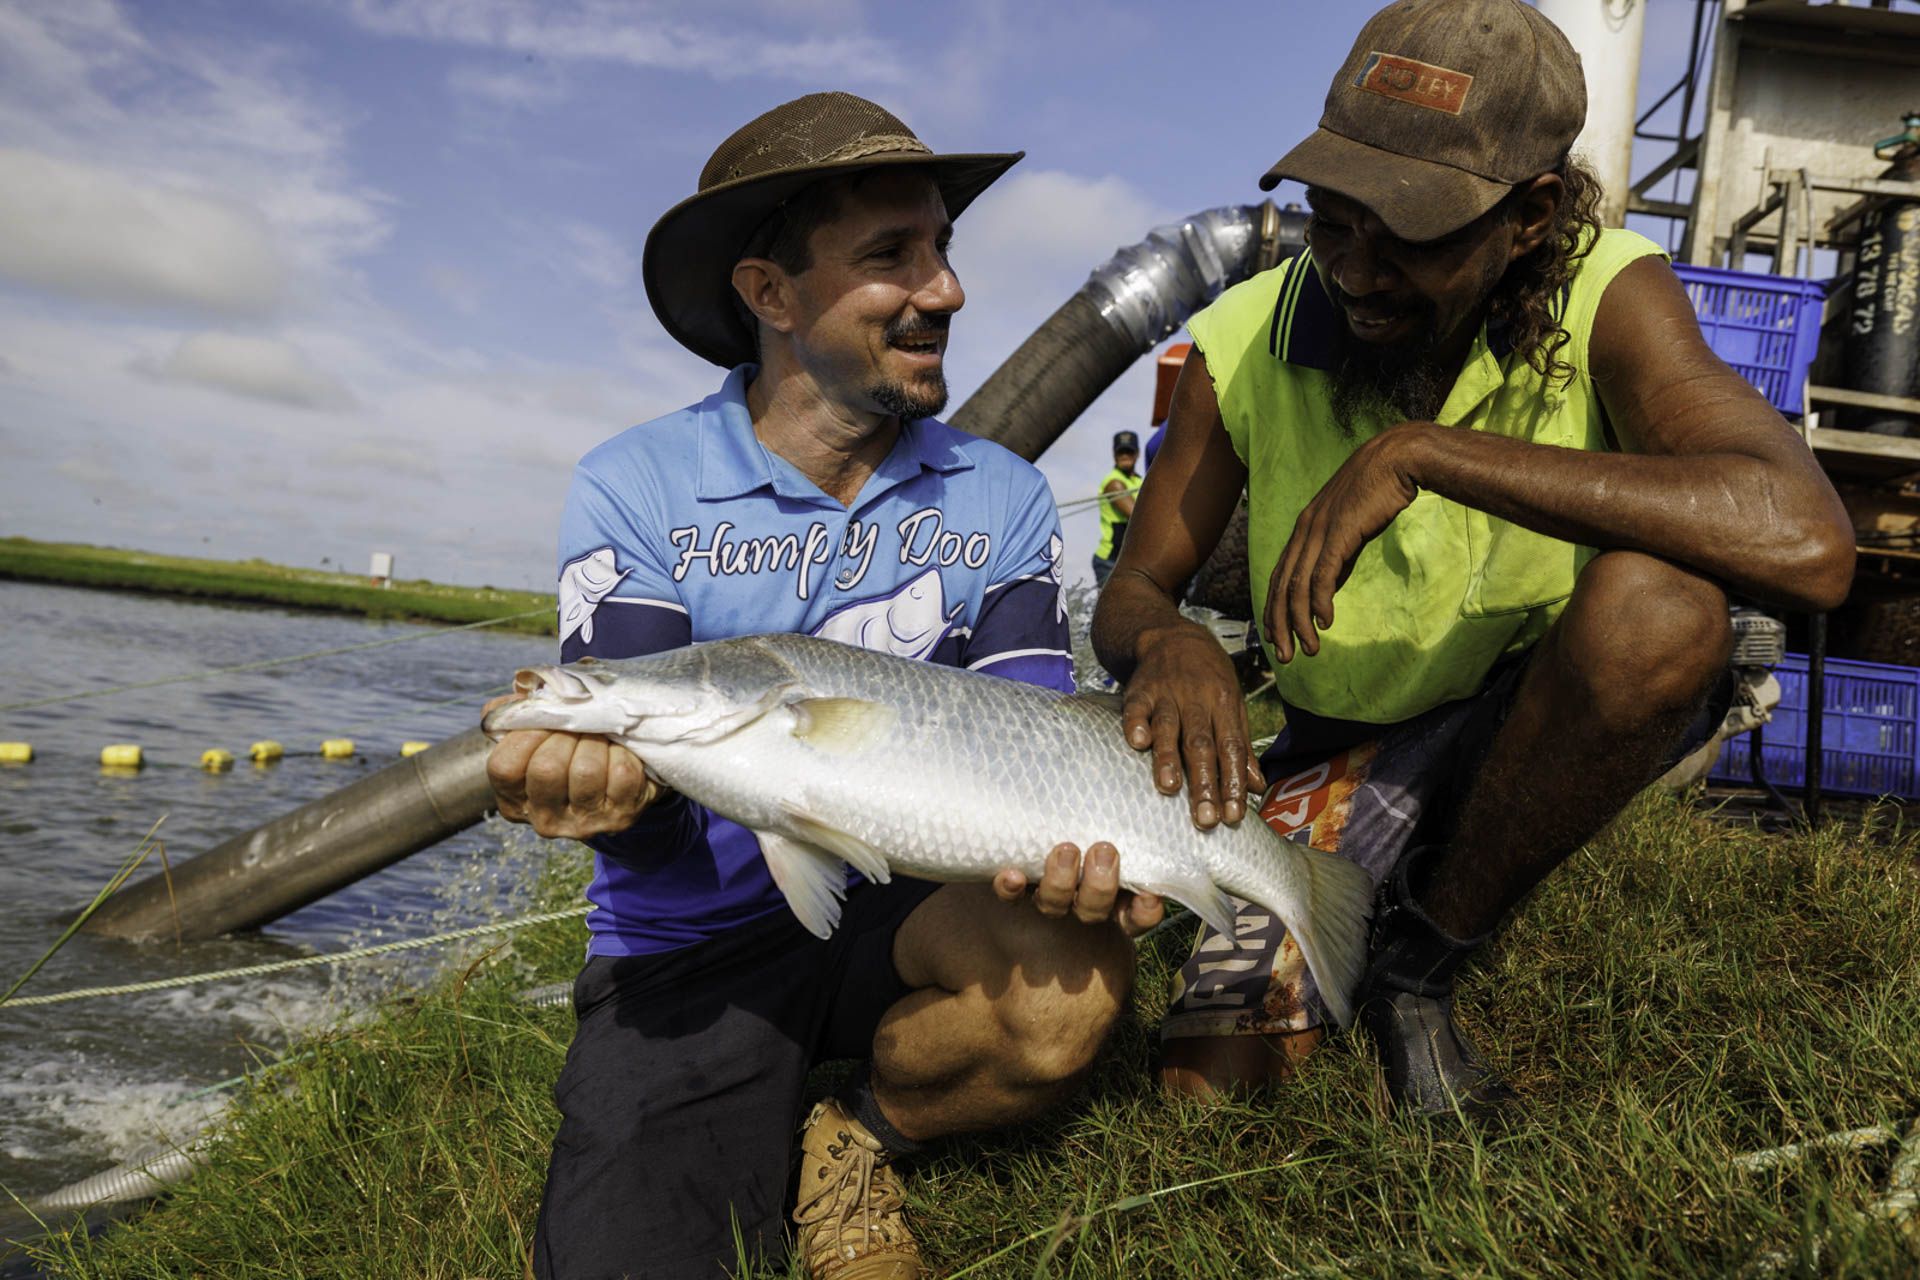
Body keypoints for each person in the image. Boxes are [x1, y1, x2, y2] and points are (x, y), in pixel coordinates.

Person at [1091, 0, 1854, 1116]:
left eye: (1411, 233)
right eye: (1333, 218)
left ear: (1531, 214)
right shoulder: (1245, 337)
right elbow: (1136, 584)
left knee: (1662, 607)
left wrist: (1429, 453)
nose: (1357, 269)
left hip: (1524, 725)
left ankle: (1420, 967)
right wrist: (1165, 639)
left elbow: (1807, 537)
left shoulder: (1609, 292)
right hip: (1339, 740)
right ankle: (1366, 861)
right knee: (1210, 1089)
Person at [486, 92, 1162, 1279]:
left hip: (909, 899)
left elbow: (1037, 735)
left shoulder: (998, 493)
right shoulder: (636, 484)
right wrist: (605, 792)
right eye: (891, 257)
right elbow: (638, 754)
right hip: (688, 941)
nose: (944, 289)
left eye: (943, 248)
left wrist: (1078, 868)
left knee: (1071, 984)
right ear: (771, 294)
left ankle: (860, 1132)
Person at [1090, 431, 1143, 587]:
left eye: (1129, 451)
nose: (1125, 455)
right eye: (1121, 451)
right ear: (1114, 454)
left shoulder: (1139, 481)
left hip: (1132, 560)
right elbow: (1138, 516)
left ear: (1137, 454)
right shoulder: (1113, 482)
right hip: (1110, 560)